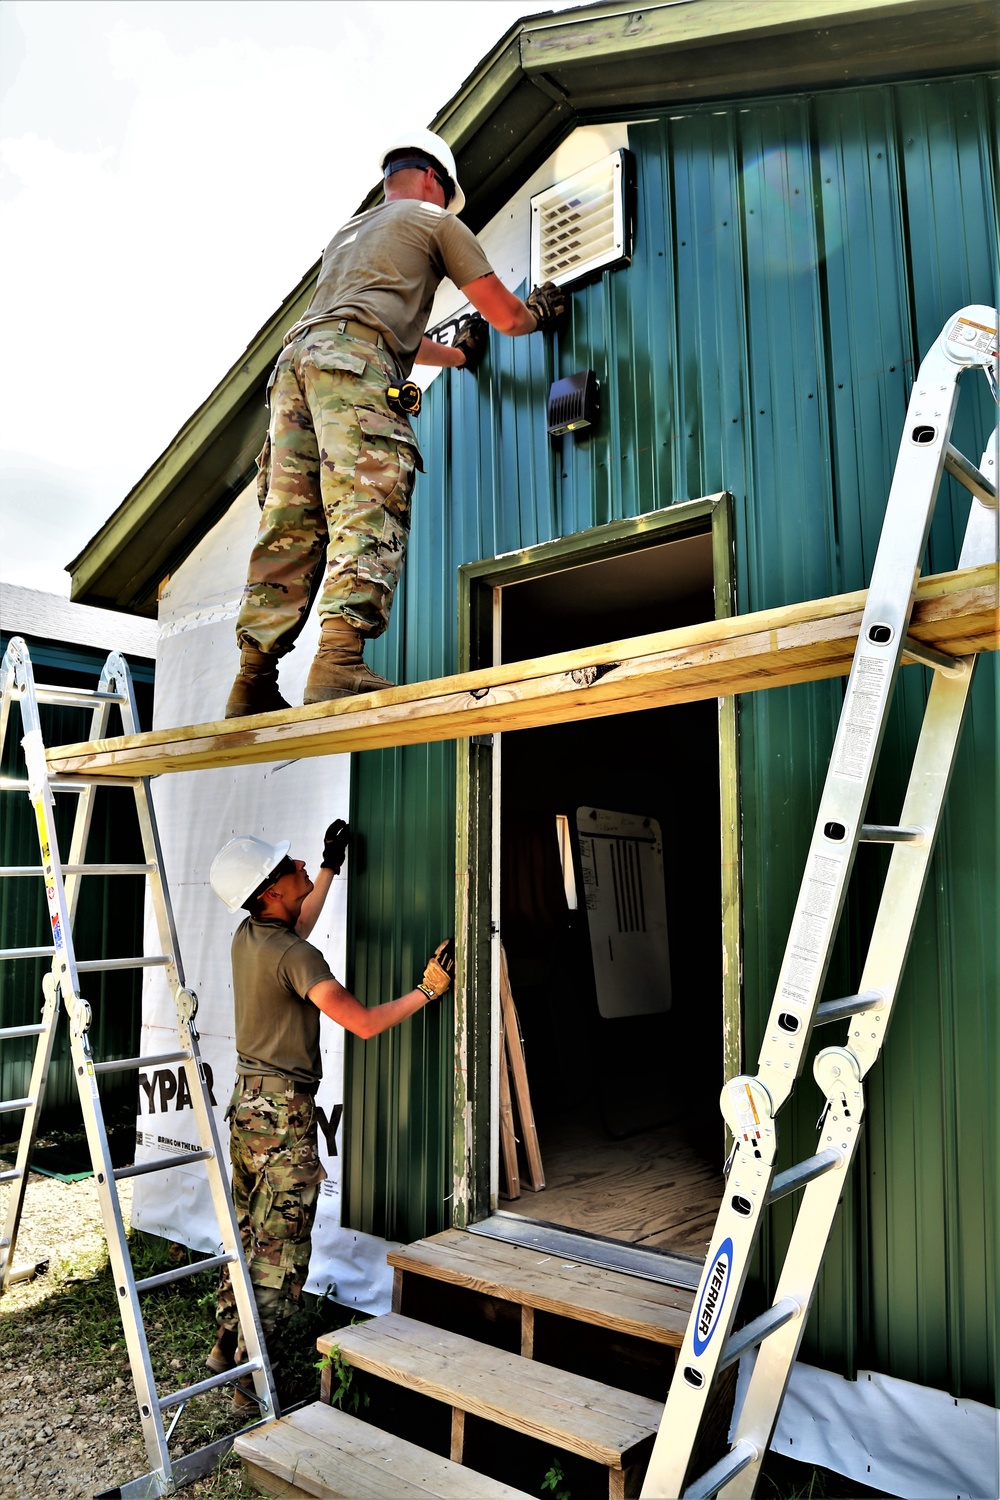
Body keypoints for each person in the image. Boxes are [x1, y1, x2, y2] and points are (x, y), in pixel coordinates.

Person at [225, 127, 566, 717]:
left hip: (297, 365)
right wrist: (537, 312)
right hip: (354, 363)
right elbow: (506, 317)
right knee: (367, 496)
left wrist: (458, 355)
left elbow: (367, 326)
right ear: (436, 180)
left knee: (292, 518)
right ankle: (338, 658)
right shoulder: (436, 223)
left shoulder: (347, 236)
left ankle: (252, 678)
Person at [206, 819, 454, 1402]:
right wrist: (427, 991)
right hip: (282, 1117)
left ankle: (225, 1344)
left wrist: (327, 866)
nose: (298, 867)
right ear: (270, 892)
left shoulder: (251, 936)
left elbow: (300, 923)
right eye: (290, 867)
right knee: (281, 1246)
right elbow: (363, 1023)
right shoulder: (295, 953)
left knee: (250, 1231)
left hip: (247, 1105)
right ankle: (255, 1381)